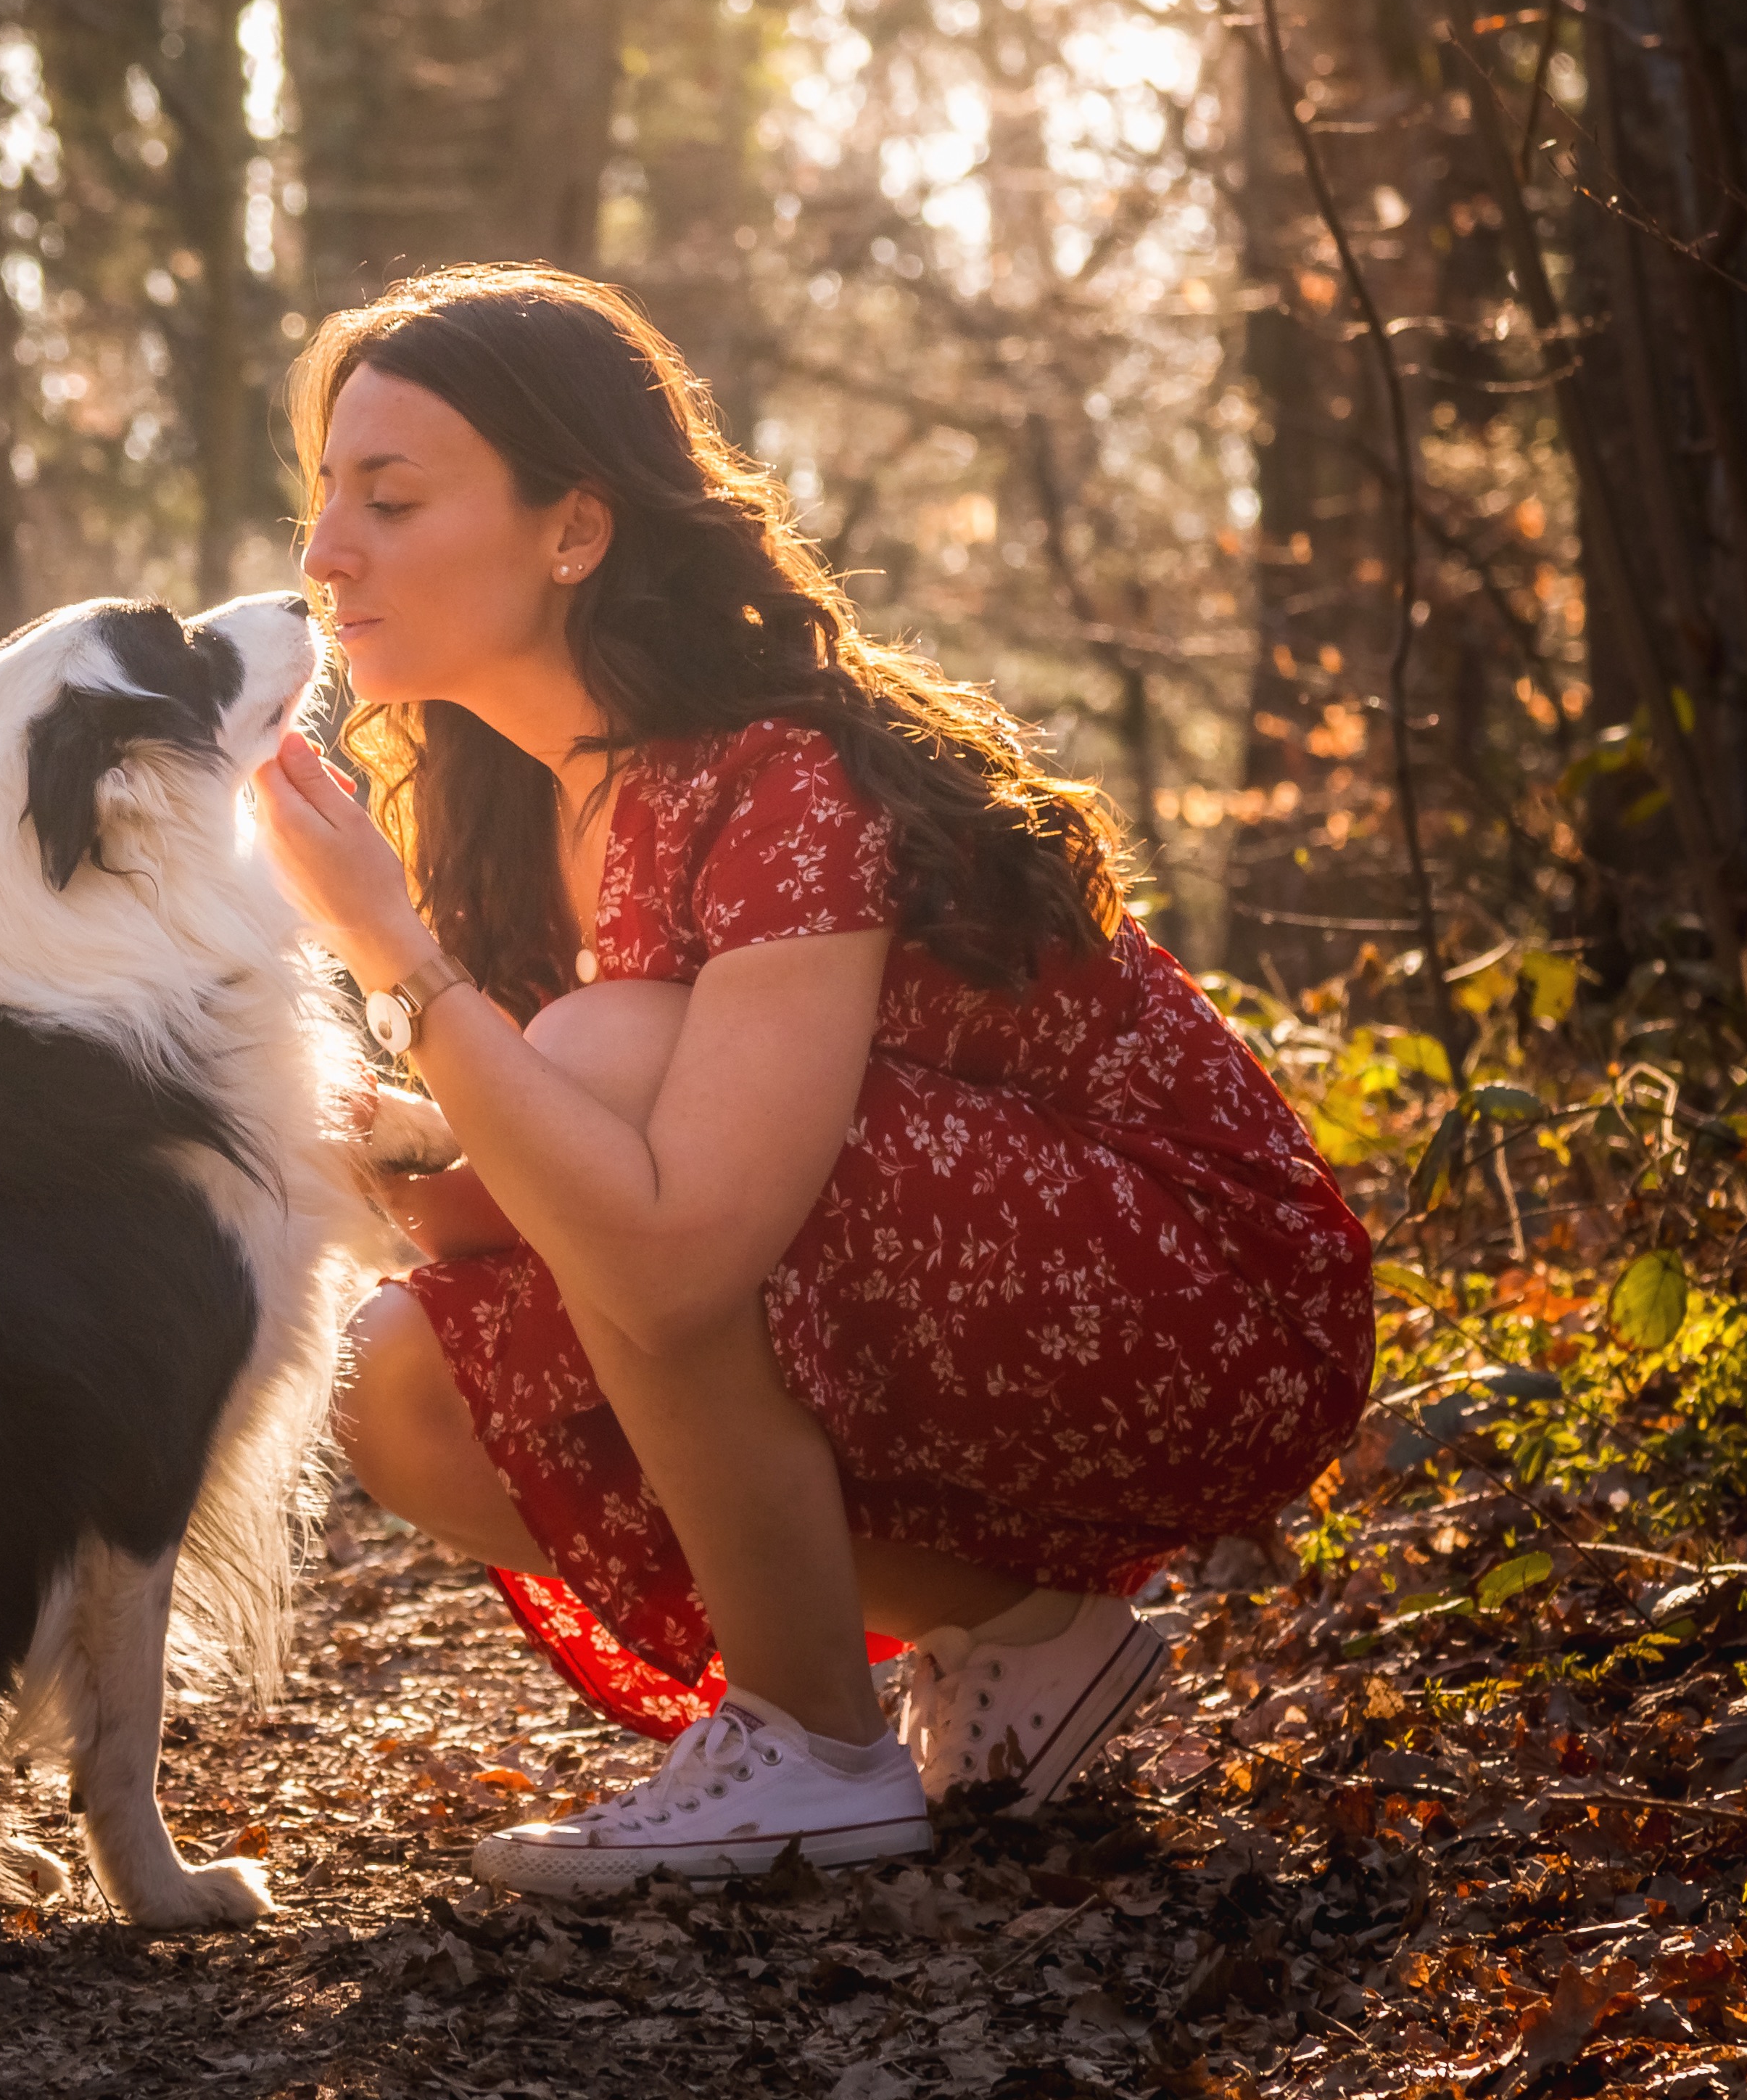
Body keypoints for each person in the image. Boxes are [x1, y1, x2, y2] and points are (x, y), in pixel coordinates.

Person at [246, 265, 1373, 1898]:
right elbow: (584, 1208)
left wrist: (395, 957)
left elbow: (673, 1260)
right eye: (325, 495)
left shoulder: (775, 775)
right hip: (911, 1284)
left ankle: (812, 1747)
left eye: (392, 498)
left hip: (1208, 1306)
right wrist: (429, 1153)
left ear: (575, 530)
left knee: (603, 1051)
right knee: (400, 1385)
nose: (326, 551)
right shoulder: (505, 802)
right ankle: (1015, 1633)